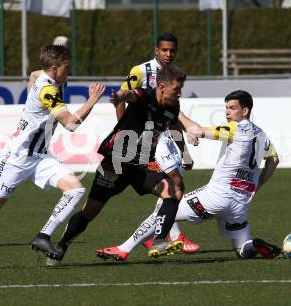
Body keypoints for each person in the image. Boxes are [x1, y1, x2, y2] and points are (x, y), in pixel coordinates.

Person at [0, 45, 105, 270]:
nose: (69, 71)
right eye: (66, 67)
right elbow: (70, 124)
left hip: (41, 156)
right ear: (54, 68)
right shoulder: (47, 91)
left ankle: (43, 235)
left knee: (76, 190)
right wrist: (92, 100)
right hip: (17, 157)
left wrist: (32, 84)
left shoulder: (47, 77)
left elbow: (34, 74)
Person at [45, 64, 189, 265]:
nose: (179, 94)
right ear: (162, 87)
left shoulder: (173, 107)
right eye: (176, 89)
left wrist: (184, 153)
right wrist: (120, 96)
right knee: (90, 212)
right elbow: (130, 94)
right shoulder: (145, 96)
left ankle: (158, 242)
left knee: (174, 192)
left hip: (143, 164)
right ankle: (61, 245)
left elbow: (173, 126)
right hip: (116, 161)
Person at [98, 33, 199, 261]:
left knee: (174, 186)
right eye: (164, 50)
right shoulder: (140, 71)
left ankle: (162, 236)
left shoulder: (174, 75)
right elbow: (123, 97)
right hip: (146, 139)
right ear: (156, 50)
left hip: (162, 134)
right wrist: (124, 131)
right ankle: (165, 236)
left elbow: (172, 114)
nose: (168, 54)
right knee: (174, 184)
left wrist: (184, 150)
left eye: (172, 50)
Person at [161, 90, 281, 259]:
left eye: (232, 108)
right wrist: (258, 184)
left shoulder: (234, 128)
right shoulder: (261, 134)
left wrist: (178, 113)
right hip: (240, 202)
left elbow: (196, 130)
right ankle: (253, 245)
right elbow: (274, 160)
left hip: (217, 197)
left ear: (245, 111)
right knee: (243, 250)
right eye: (226, 108)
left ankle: (175, 239)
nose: (227, 112)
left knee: (165, 204)